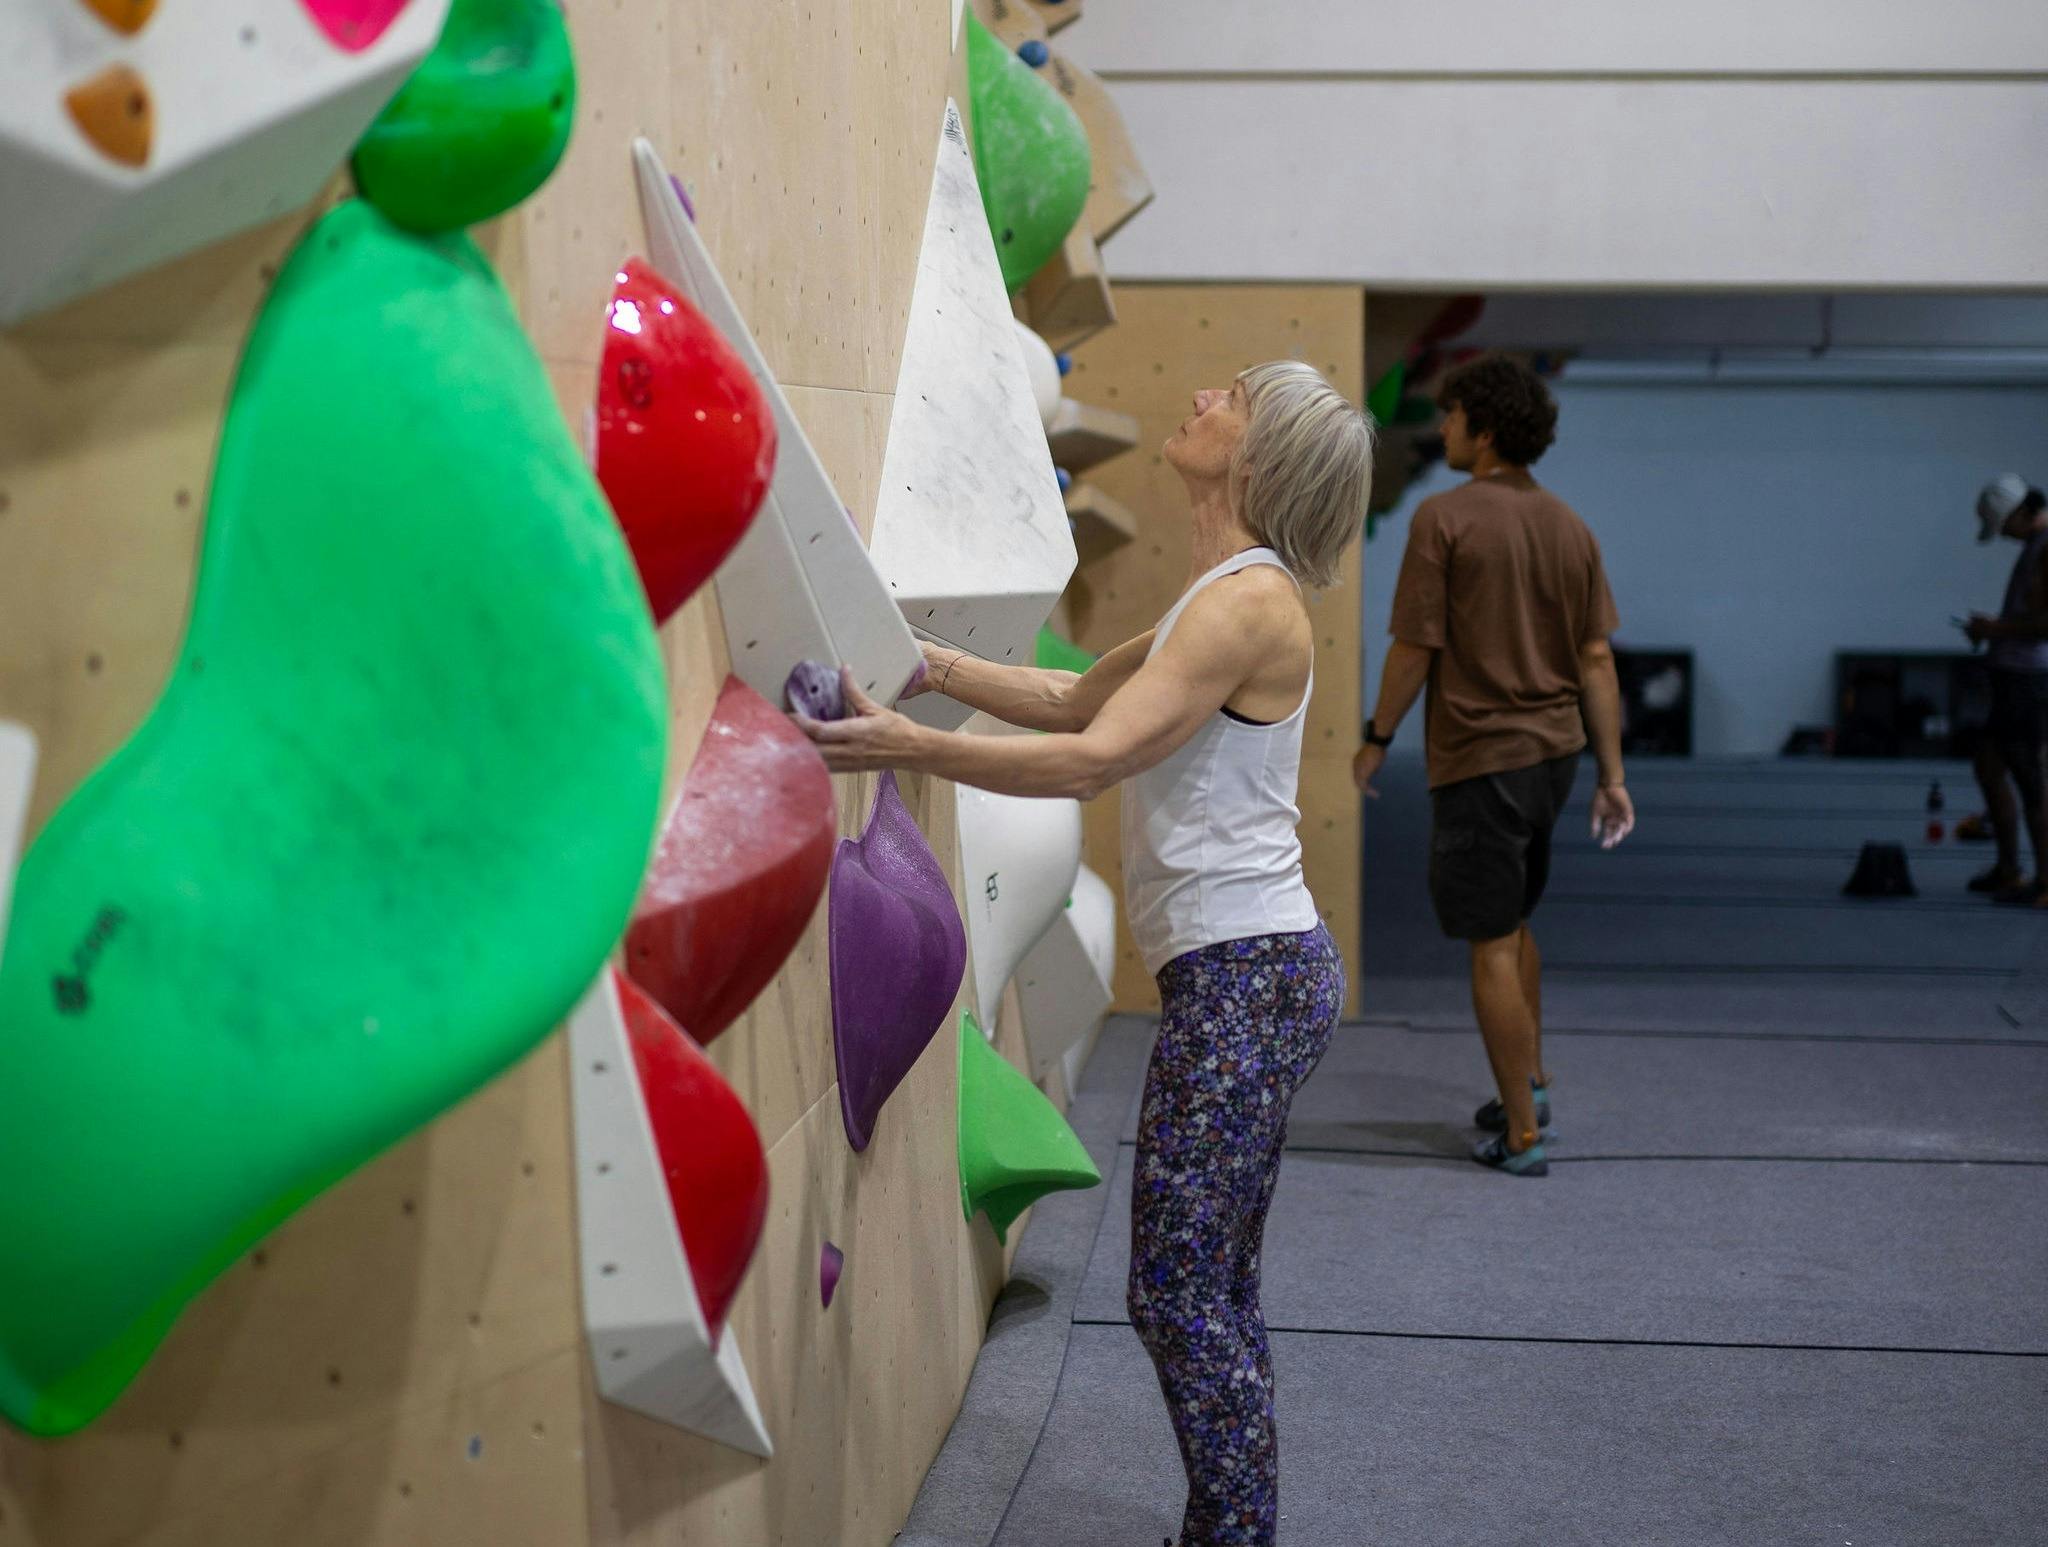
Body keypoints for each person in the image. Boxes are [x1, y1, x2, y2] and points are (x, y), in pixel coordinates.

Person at [797, 361, 1371, 1547]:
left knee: (1175, 1292)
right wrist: (928, 663)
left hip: (1246, 979)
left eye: (1236, 398)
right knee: (1206, 1287)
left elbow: (1087, 759)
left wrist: (905, 740)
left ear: (1259, 460)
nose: (1206, 395)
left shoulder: (1245, 604)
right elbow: (1072, 701)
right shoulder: (1217, 593)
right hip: (1246, 975)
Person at [1351, 354, 1633, 1177]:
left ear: (1486, 426)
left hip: (1481, 760)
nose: (1440, 429)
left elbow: (1414, 645)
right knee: (1513, 926)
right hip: (1555, 760)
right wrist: (1612, 776)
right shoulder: (1571, 526)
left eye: (1452, 416)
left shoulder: (1444, 518)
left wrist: (1377, 732)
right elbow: (1597, 661)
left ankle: (1520, 1134)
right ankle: (1532, 1082)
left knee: (1489, 942)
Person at [1962, 474, 2048, 905]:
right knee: (1990, 769)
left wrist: (1995, 628)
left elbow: (2045, 625)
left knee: (2031, 779)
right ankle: (2009, 869)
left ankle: (2045, 882)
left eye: (2004, 527)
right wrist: (1994, 632)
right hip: (2012, 676)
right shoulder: (2035, 548)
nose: (2004, 538)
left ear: (2019, 513)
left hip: (2025, 681)